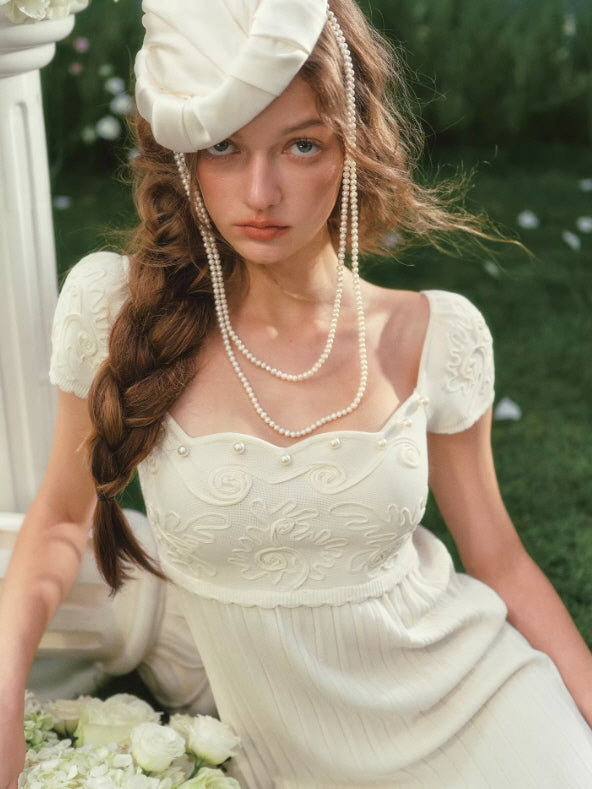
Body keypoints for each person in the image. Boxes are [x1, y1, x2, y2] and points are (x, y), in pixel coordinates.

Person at [1, 0, 592, 786]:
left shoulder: (433, 335)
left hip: (480, 705)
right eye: (224, 146)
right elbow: (56, 523)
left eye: (301, 145)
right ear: (184, 154)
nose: (261, 192)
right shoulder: (113, 310)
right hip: (281, 753)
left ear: (353, 147)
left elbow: (500, 559)